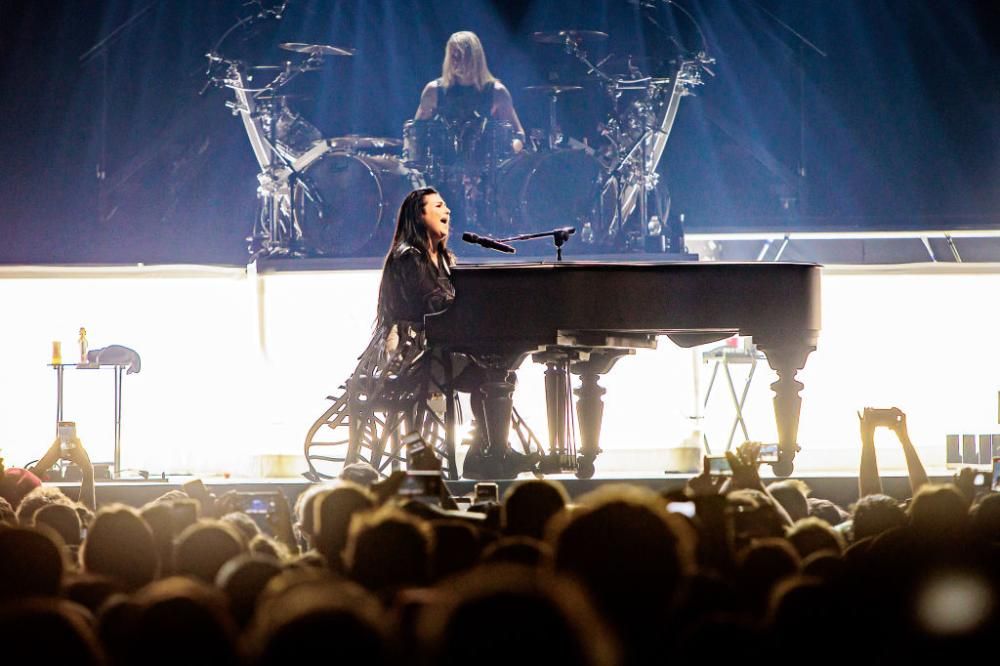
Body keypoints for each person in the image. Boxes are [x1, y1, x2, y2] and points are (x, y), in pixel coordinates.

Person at [374, 187, 537, 479]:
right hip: (413, 352)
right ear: (419, 215)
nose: (447, 211)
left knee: (497, 372)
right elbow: (434, 304)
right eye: (438, 206)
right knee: (493, 371)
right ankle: (489, 453)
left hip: (436, 349)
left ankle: (487, 451)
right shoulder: (409, 257)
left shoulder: (444, 258)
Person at [415, 31, 525, 153]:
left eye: (463, 56)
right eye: (453, 56)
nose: (457, 62)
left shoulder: (497, 92)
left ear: (476, 58)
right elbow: (414, 134)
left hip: (484, 162)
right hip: (442, 162)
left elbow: (518, 134)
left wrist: (511, 149)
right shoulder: (433, 90)